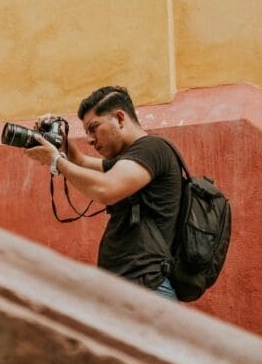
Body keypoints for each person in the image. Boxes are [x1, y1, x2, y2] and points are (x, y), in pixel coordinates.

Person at [23, 86, 182, 300]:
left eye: (93, 128)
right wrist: (59, 138)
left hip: (146, 289)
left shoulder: (151, 149)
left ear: (119, 118)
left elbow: (106, 189)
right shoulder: (129, 159)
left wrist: (55, 161)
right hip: (129, 288)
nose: (89, 139)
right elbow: (80, 161)